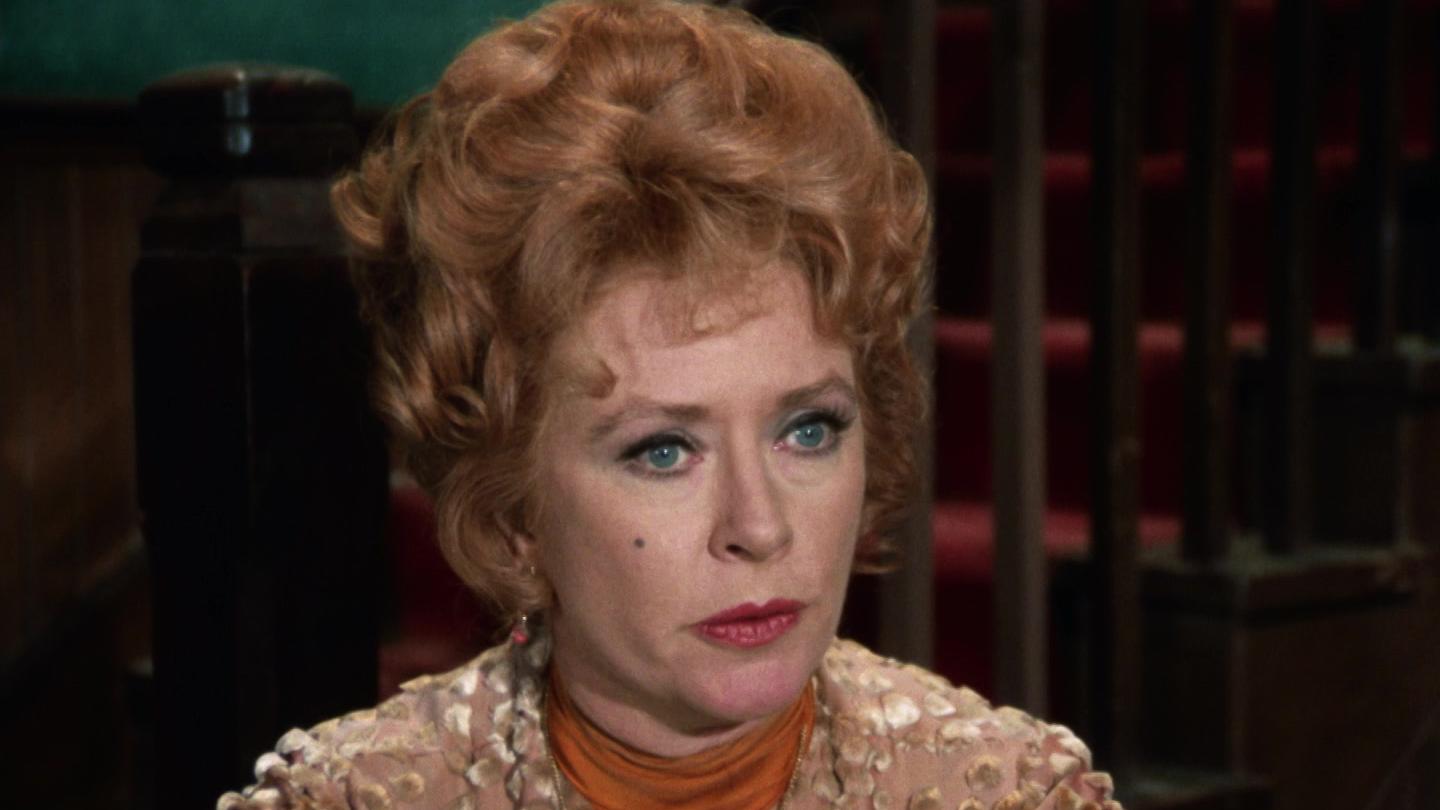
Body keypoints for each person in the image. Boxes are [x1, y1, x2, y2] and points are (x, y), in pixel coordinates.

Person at [219, 0, 1120, 807]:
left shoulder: (1013, 796)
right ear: (513, 505)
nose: (759, 527)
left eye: (807, 430)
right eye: (663, 450)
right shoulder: (346, 800)